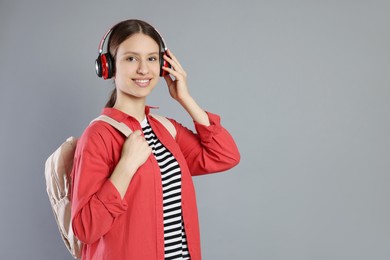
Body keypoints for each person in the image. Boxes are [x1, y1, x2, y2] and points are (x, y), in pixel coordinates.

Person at [70, 19, 240, 260]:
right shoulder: (98, 136)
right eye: (131, 58)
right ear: (108, 67)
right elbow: (86, 229)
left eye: (151, 58)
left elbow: (225, 156)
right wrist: (126, 166)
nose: (143, 69)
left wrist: (185, 98)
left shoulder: (164, 128)